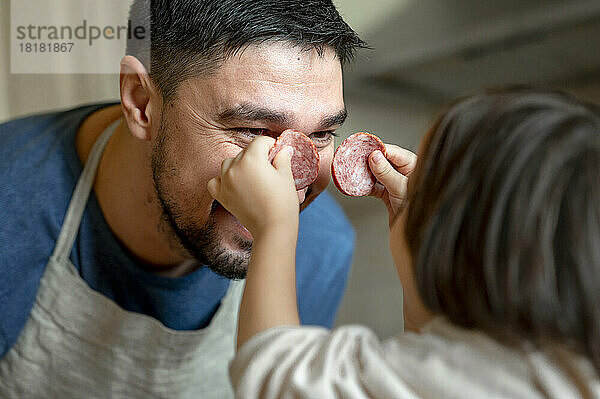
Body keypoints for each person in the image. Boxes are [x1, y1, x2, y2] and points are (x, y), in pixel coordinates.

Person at [0, 1, 367, 397]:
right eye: (252, 129)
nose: (291, 187)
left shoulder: (322, 247)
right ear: (141, 102)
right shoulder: (11, 208)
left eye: (321, 135)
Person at [209, 88, 600, 398]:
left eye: (429, 187)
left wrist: (275, 225)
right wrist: (415, 249)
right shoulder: (568, 362)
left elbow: (274, 375)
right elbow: (429, 348)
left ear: (452, 242)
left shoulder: (489, 376)